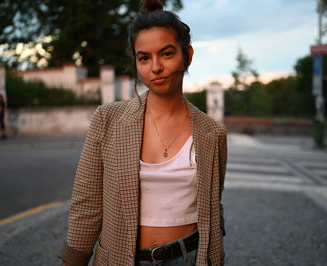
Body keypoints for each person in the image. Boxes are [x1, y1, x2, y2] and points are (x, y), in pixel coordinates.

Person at [59, 0, 227, 265]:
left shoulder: (212, 132)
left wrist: (217, 248)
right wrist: (73, 260)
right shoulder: (107, 120)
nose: (155, 67)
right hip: (119, 258)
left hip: (190, 257)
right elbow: (87, 202)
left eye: (167, 54)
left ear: (188, 55)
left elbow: (213, 205)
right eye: (144, 58)